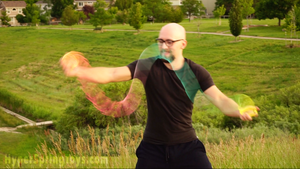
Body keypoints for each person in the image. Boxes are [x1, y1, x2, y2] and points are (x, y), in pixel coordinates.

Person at [61, 23, 258, 168]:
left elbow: (220, 100)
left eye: (169, 42)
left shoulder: (197, 73)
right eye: (160, 41)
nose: (163, 46)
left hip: (187, 147)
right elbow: (112, 74)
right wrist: (78, 72)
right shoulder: (147, 66)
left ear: (183, 44)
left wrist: (238, 109)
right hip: (152, 149)